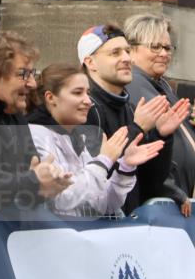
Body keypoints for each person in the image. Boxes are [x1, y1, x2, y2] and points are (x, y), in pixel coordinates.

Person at [0, 25, 72, 208]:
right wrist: (33, 181)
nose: (33, 84)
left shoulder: (12, 110)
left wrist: (47, 184)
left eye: (32, 74)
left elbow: (28, 171)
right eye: (23, 74)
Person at [28, 63, 164, 217]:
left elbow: (102, 205)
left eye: (88, 93)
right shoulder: (33, 135)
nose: (88, 101)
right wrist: (103, 161)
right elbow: (62, 199)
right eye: (78, 93)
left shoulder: (76, 138)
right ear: (51, 97)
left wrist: (125, 168)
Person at [78, 24, 188, 213]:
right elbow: (95, 180)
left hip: (129, 226)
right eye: (115, 53)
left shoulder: (130, 108)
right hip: (99, 230)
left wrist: (161, 136)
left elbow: (150, 181)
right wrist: (138, 128)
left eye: (127, 51)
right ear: (90, 62)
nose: (127, 58)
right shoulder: (85, 109)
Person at [124, 14, 195, 217]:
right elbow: (152, 145)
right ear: (132, 49)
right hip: (159, 204)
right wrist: (173, 191)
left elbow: (180, 136)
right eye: (155, 47)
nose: (163, 53)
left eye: (167, 48)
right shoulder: (135, 86)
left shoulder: (160, 84)